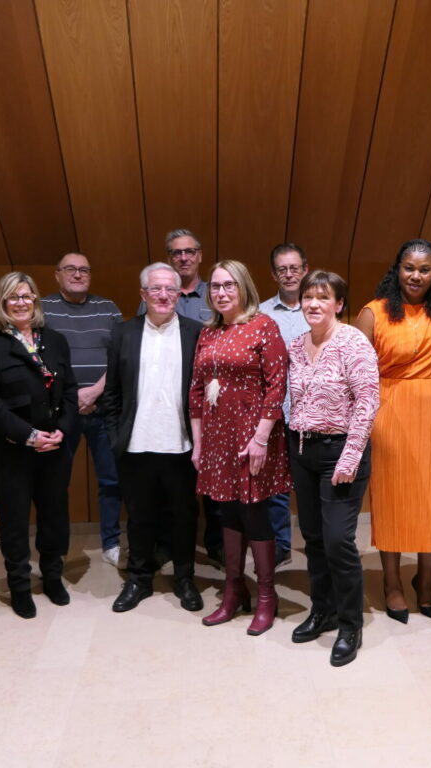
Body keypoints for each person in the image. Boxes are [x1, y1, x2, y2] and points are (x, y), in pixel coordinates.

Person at [354, 238, 431, 623]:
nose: (416, 275)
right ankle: (392, 582)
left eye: (425, 268)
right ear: (397, 268)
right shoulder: (373, 312)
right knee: (392, 499)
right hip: (389, 412)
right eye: (409, 267)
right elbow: (357, 375)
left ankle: (425, 581)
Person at [189, 260, 291, 635]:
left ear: (244, 287)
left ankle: (267, 596)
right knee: (227, 513)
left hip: (252, 436)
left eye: (229, 285)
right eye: (215, 286)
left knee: (254, 514)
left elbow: (277, 386)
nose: (221, 292)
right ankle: (234, 591)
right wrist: (199, 444)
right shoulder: (208, 333)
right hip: (217, 438)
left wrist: (262, 437)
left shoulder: (263, 326)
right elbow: (197, 391)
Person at [0, 272, 78, 619]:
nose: (21, 302)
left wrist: (61, 430)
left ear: (36, 301)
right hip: (13, 449)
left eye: (27, 296)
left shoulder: (55, 341)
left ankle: (52, 577)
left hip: (55, 448)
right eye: (13, 297)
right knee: (14, 519)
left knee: (54, 515)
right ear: (2, 303)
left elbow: (71, 393)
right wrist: (29, 436)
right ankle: (19, 585)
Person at [288, 270, 379, 666]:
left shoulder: (352, 342)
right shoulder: (295, 345)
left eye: (323, 297)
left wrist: (350, 456)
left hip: (341, 451)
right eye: (308, 297)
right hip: (302, 449)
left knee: (338, 539)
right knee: (312, 537)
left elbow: (367, 400)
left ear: (339, 304)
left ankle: (349, 624)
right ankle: (321, 609)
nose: (314, 304)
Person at [103, 263, 203, 613]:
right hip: (135, 444)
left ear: (179, 294)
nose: (163, 296)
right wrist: (116, 436)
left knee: (184, 516)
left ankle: (185, 579)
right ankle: (139, 580)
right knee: (140, 517)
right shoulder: (122, 333)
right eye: (155, 290)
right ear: (143, 294)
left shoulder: (196, 332)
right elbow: (112, 393)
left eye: (170, 290)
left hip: (182, 445)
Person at [142, 228, 221, 566]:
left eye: (190, 251)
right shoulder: (157, 295)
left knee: (214, 485)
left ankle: (216, 545)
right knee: (164, 485)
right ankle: (164, 545)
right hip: (168, 407)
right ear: (169, 257)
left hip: (212, 406)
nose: (184, 258)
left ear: (200, 255)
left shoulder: (215, 294)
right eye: (176, 253)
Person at [41, 253, 124, 567]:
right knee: (55, 481)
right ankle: (56, 548)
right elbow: (35, 354)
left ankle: (112, 542)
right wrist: (73, 396)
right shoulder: (40, 308)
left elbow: (119, 357)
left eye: (84, 270)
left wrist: (96, 390)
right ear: (57, 274)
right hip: (61, 410)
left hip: (104, 408)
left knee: (112, 479)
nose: (77, 274)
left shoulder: (108, 308)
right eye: (70, 269)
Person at [258, 243, 311, 565]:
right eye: (282, 269)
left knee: (308, 484)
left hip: (313, 413)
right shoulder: (261, 313)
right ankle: (281, 545)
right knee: (276, 486)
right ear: (273, 274)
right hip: (275, 412)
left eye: (294, 268)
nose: (289, 274)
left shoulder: (318, 306)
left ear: (305, 269)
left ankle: (314, 544)